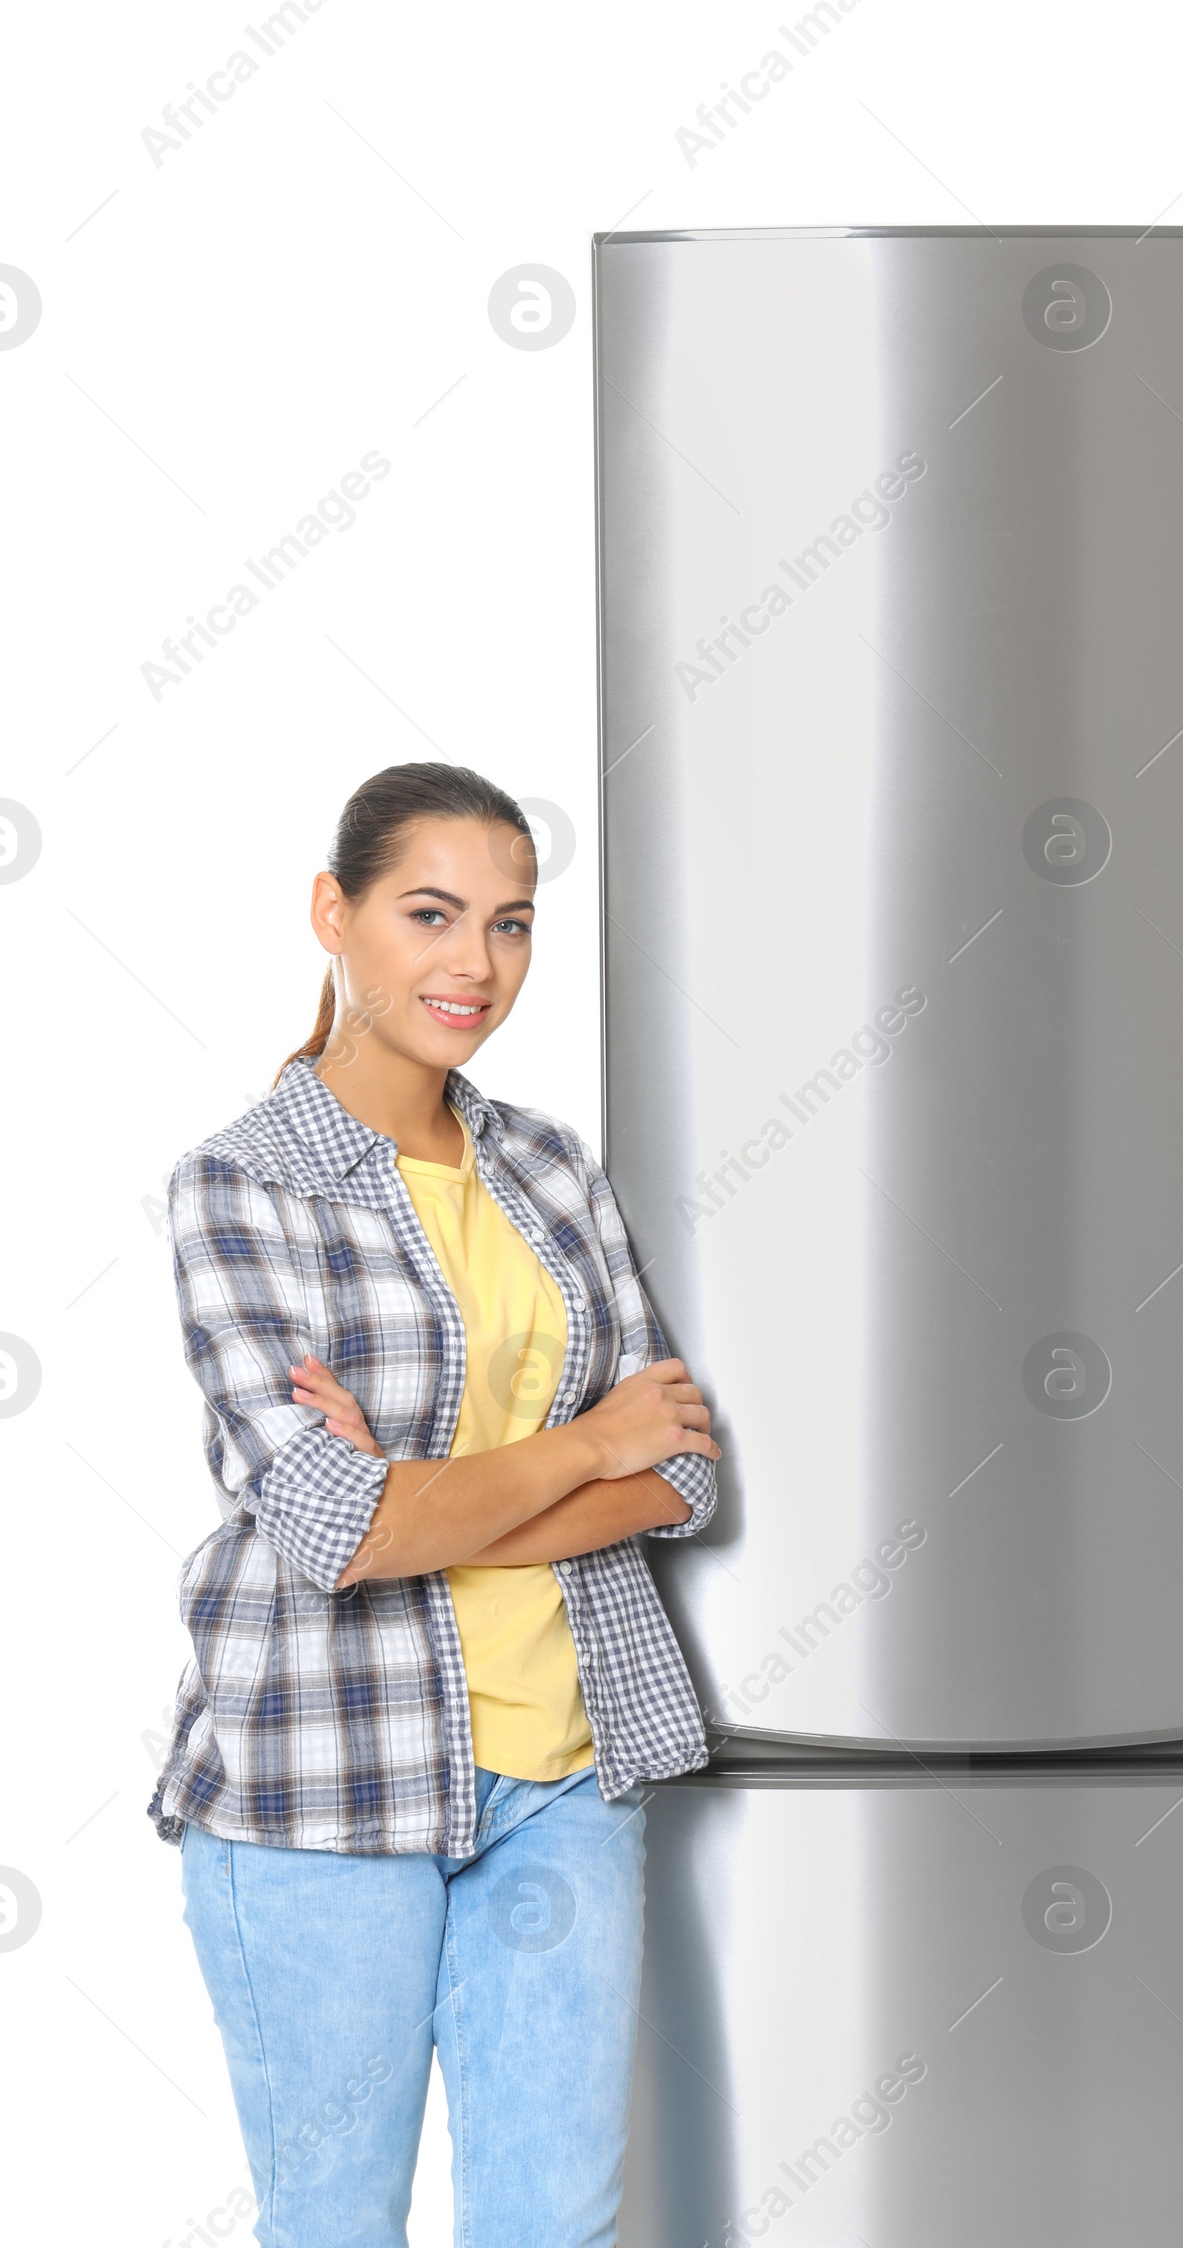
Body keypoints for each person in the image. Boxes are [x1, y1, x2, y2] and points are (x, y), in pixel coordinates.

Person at [148, 761, 722, 2247]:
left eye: (513, 923)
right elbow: (343, 1531)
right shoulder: (241, 1184)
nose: (476, 963)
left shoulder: (547, 1165)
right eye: (431, 912)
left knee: (557, 2229)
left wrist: (438, 1498)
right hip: (319, 1788)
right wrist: (578, 1446)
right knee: (335, 2226)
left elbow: (680, 1465)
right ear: (333, 914)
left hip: (563, 1780)